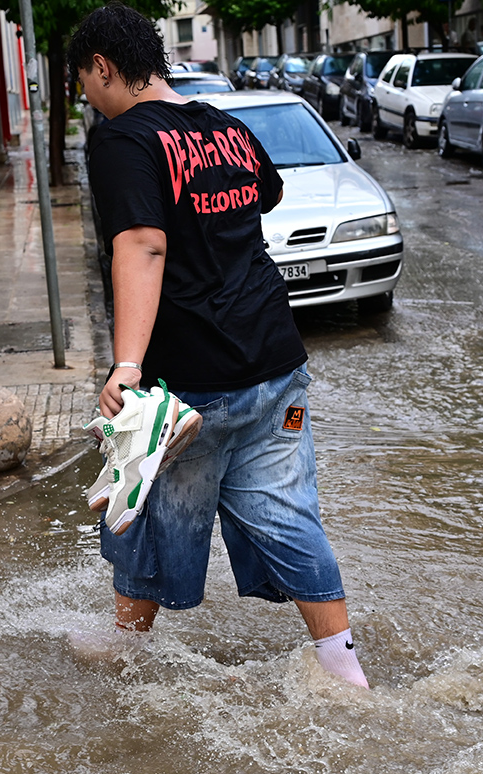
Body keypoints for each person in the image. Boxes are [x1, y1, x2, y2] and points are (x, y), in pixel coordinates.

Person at [67, 2, 368, 688]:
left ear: (103, 67)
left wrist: (127, 366)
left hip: (194, 377)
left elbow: (143, 244)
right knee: (288, 515)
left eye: (84, 80)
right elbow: (265, 193)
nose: (87, 95)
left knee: (136, 496)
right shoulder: (227, 127)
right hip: (276, 360)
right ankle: (344, 670)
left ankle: (125, 645)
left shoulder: (122, 140)